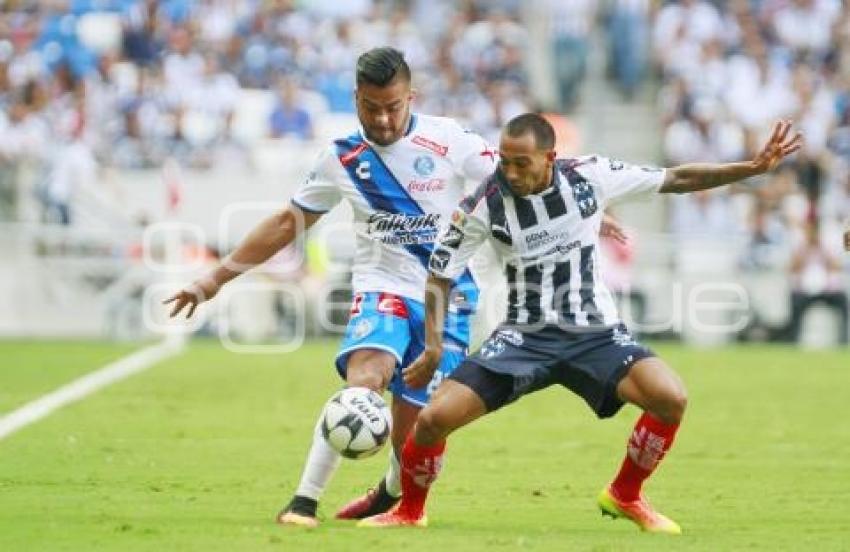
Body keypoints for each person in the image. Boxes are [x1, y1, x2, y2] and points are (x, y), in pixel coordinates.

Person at [164, 48, 627, 527]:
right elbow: (287, 222)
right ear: (356, 99)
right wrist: (214, 278)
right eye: (371, 107)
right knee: (365, 381)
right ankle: (304, 499)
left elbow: (514, 179)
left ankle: (389, 491)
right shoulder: (341, 157)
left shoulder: (449, 140)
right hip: (381, 286)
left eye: (393, 107)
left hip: (447, 295)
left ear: (411, 97)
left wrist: (580, 210)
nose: (383, 119)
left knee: (419, 425)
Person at [358, 114, 802, 533]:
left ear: (549, 158)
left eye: (521, 163)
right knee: (433, 419)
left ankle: (624, 495)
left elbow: (676, 179)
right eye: (504, 161)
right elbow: (440, 273)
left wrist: (751, 167)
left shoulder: (589, 176)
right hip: (523, 338)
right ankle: (410, 511)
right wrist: (433, 346)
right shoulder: (483, 204)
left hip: (595, 333)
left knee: (671, 397)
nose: (509, 173)